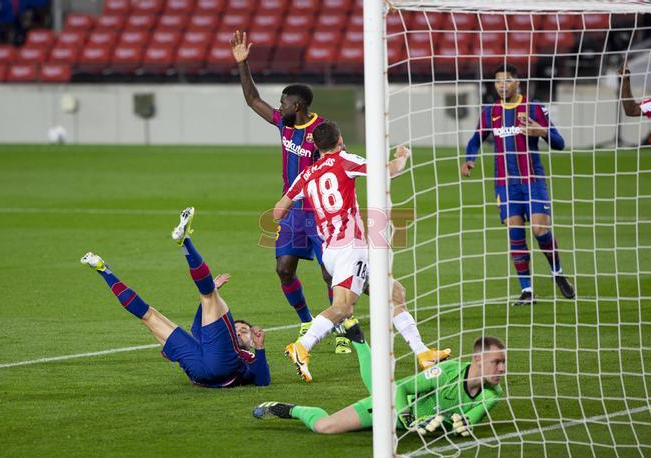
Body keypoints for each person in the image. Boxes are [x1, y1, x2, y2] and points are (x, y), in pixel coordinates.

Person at [274, 121, 451, 382]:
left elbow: (278, 212)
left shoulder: (306, 175)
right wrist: (402, 157)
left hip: (332, 251)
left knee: (395, 293)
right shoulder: (344, 159)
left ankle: (423, 353)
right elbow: (388, 172)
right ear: (340, 139)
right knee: (343, 308)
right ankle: (301, 346)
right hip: (351, 250)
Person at [230, 30, 351, 354]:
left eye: (283, 101)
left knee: (330, 273)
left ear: (296, 104)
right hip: (293, 211)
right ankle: (307, 319)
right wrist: (243, 64)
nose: (279, 105)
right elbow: (252, 99)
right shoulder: (284, 124)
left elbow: (341, 160)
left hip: (321, 213)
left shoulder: (324, 131)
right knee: (284, 268)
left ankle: (341, 327)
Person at [80, 207, 270, 388]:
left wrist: (260, 348)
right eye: (237, 328)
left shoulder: (246, 357)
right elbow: (201, 323)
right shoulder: (223, 345)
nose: (238, 332)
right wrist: (211, 292)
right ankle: (102, 269)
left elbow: (263, 381)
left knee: (207, 294)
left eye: (244, 331)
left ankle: (185, 241)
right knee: (148, 316)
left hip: (219, 367)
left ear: (252, 342)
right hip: (199, 370)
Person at [253, 323, 505, 437]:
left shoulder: (492, 395)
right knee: (323, 427)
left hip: (407, 424)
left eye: (503, 362)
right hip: (396, 406)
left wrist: (457, 425)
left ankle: (356, 336)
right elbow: (403, 388)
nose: (502, 369)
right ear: (478, 359)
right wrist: (407, 417)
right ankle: (290, 409)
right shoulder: (448, 371)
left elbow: (469, 420)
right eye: (497, 362)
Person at [461, 64, 575, 306]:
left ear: (518, 83)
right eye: (498, 81)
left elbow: (560, 143)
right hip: (505, 184)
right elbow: (475, 139)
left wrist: (541, 131)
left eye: (508, 80)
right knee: (515, 233)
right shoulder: (490, 111)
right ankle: (527, 290)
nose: (503, 85)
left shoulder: (533, 108)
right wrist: (469, 159)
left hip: (532, 180)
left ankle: (558, 273)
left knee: (539, 230)